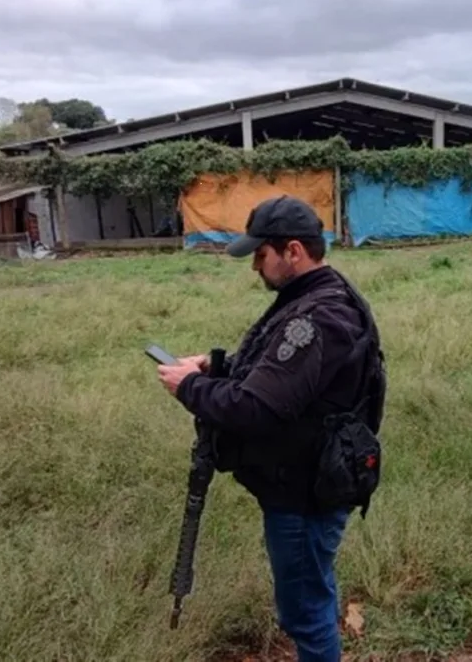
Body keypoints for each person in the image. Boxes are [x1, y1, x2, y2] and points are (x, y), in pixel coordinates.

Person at [156, 195, 386, 662]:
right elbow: (287, 374)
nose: (255, 267)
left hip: (303, 495)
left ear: (294, 251)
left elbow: (256, 409)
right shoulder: (312, 296)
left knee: (305, 613)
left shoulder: (318, 316)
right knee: (311, 597)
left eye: (261, 255)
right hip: (302, 483)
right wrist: (219, 366)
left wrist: (191, 388)